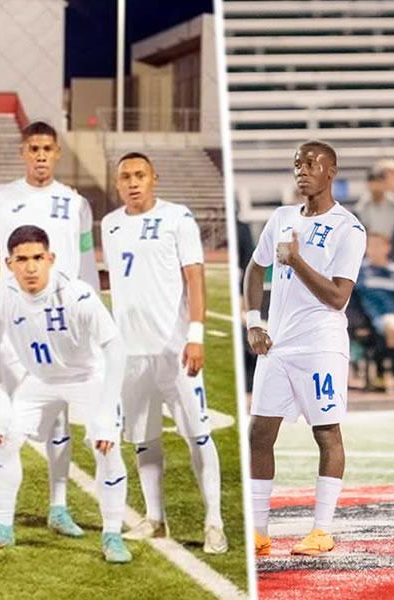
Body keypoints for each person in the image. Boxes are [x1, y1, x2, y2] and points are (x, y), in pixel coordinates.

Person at [0, 121, 99, 538]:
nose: (41, 155)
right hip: (13, 320)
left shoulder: (75, 203)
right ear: (23, 152)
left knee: (59, 421)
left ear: (57, 152)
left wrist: (92, 314)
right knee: (7, 417)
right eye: (33, 148)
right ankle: (1, 519)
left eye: (47, 148)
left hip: (62, 323)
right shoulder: (1, 196)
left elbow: (84, 263)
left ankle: (58, 508)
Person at [0, 225, 132, 564]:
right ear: (8, 262)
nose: (30, 267)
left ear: (50, 258)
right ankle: (2, 527)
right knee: (5, 438)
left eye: (38, 258)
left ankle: (112, 535)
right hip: (39, 380)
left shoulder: (77, 295)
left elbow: (115, 348)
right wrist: (1, 405)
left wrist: (104, 414)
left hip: (87, 377)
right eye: (22, 259)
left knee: (106, 444)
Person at [100, 152, 227, 554]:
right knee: (144, 440)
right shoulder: (111, 224)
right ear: (117, 183)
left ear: (154, 177)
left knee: (198, 435)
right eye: (125, 177)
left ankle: (214, 522)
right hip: (131, 355)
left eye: (140, 175)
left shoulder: (178, 218)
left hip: (175, 352)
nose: (133, 182)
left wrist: (196, 335)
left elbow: (194, 276)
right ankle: (155, 520)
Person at [245, 141, 366, 558]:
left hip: (320, 347)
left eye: (312, 163)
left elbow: (337, 297)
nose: (302, 169)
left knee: (326, 432)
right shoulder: (280, 218)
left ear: (331, 171)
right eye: (297, 163)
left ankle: (322, 530)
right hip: (278, 346)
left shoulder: (348, 228)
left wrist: (296, 262)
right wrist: (254, 321)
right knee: (259, 433)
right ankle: (258, 532)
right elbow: (255, 268)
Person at [355, 232, 394, 393]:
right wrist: (358, 324)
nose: (374, 249)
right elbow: (353, 302)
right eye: (370, 246)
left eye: (378, 245)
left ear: (388, 247)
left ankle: (390, 371)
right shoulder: (359, 272)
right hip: (373, 318)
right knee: (393, 325)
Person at [354, 162, 394, 239]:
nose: (376, 186)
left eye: (379, 182)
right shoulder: (361, 208)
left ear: (384, 183)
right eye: (373, 182)